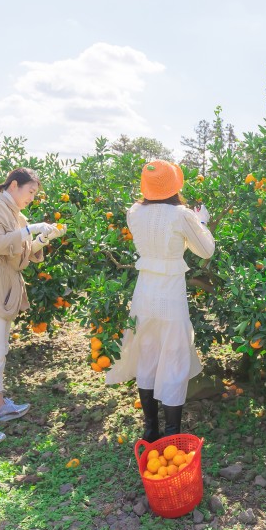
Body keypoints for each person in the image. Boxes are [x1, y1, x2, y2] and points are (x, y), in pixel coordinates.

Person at [105, 160, 215, 441]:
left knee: (148, 356)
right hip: (170, 295)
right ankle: (171, 434)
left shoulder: (134, 212)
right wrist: (202, 221)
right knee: (175, 359)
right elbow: (205, 251)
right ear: (175, 185)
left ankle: (150, 429)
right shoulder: (182, 215)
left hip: (144, 294)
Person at [0, 168, 66, 446]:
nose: (32, 198)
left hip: (4, 286)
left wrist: (42, 239)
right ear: (15, 185)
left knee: (0, 350)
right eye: (30, 192)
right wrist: (30, 230)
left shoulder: (17, 216)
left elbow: (21, 250)